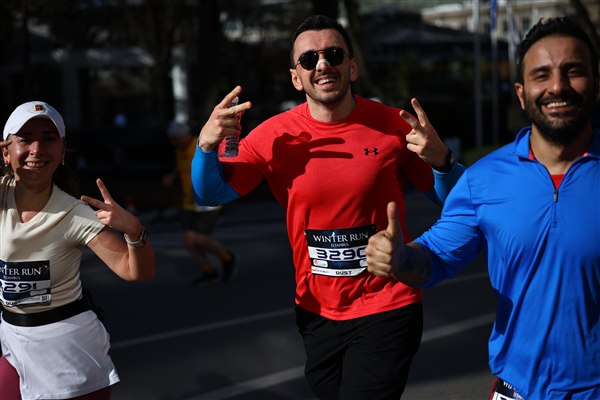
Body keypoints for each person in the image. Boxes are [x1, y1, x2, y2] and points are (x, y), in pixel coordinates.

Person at [191, 14, 466, 399]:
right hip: (316, 309)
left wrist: (443, 161)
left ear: (351, 67)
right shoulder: (272, 136)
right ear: (296, 77)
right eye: (309, 59)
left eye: (333, 54)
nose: (322, 64)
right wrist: (206, 146)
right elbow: (211, 194)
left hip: (388, 303)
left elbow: (455, 201)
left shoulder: (394, 125)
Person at [366, 17, 600, 400]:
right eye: (541, 75)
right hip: (516, 392)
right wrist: (399, 258)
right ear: (521, 93)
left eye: (573, 71)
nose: (557, 86)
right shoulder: (484, 179)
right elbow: (435, 258)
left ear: (596, 84)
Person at [0, 101, 156, 399]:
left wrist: (133, 230)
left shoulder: (75, 214)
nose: (36, 149)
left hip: (68, 350)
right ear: (6, 151)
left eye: (48, 139)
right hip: (14, 340)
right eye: (25, 139)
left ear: (62, 151)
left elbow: (138, 272)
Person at [162, 120, 235, 284]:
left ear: (184, 135)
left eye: (176, 139)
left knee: (201, 239)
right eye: (172, 140)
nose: (174, 143)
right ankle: (208, 270)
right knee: (189, 240)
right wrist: (172, 177)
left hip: (207, 202)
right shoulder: (179, 150)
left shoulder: (201, 144)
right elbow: (180, 166)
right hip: (189, 202)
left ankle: (227, 258)